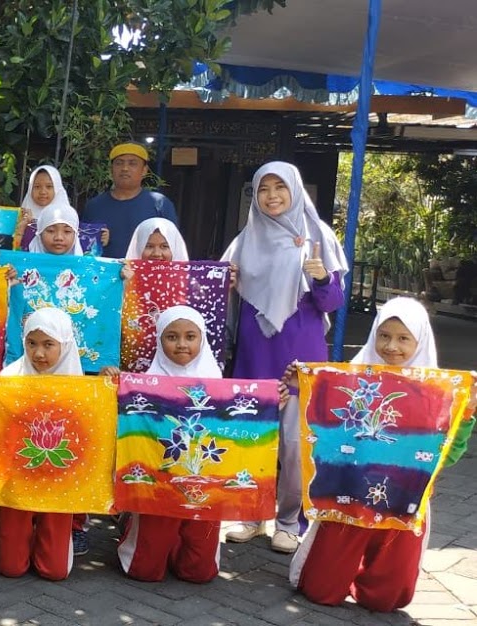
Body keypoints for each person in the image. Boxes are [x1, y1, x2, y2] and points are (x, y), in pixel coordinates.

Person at [289, 297, 474, 612]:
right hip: (348, 494)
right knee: (321, 590)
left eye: (403, 338)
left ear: (420, 341)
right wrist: (305, 386)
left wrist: (466, 414)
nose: (391, 347)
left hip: (403, 499)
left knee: (385, 599)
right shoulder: (349, 381)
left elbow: (449, 455)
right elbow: (322, 431)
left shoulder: (439, 395)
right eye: (384, 335)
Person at [221, 161, 348, 554]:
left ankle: (290, 521)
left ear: (295, 190)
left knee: (294, 446)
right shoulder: (245, 240)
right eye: (264, 188)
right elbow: (223, 298)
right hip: (255, 354)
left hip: (299, 357)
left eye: (280, 187)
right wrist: (226, 283)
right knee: (253, 437)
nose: (272, 195)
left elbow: (333, 302)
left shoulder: (318, 236)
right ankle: (250, 515)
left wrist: (322, 277)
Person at [115, 306, 224, 584]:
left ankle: (176, 543)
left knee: (199, 572)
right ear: (160, 340)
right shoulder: (146, 384)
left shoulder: (218, 383)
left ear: (202, 339)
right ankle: (132, 522)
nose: (182, 344)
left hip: (203, 485)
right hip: (159, 482)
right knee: (144, 570)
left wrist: (274, 401)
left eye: (190, 336)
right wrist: (112, 385)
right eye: (172, 337)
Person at [0, 307, 85, 579]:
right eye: (31, 343)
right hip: (17, 477)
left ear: (64, 344)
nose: (39, 353)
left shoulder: (80, 387)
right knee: (10, 567)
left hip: (59, 479)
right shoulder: (9, 378)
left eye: (48, 344)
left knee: (55, 570)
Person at [81, 143, 178, 259]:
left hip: (145, 269)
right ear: (111, 169)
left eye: (132, 163)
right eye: (119, 163)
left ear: (144, 170)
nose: (125, 168)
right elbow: (83, 246)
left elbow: (172, 245)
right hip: (103, 269)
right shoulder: (94, 206)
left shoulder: (160, 204)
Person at [120, 217, 190, 281]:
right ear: (138, 248)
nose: (156, 254)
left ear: (175, 248)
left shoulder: (189, 284)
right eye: (149, 246)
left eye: (164, 246)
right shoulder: (122, 275)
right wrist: (128, 283)